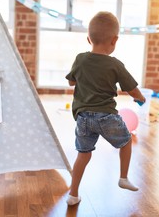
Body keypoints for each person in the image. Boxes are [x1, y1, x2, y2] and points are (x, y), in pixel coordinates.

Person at [65, 11, 146, 206]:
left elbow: (71, 82)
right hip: (106, 117)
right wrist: (140, 98)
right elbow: (132, 89)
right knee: (126, 142)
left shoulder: (80, 59)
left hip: (83, 118)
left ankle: (73, 194)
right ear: (114, 40)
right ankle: (123, 177)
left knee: (83, 154)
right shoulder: (115, 64)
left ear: (88, 39)